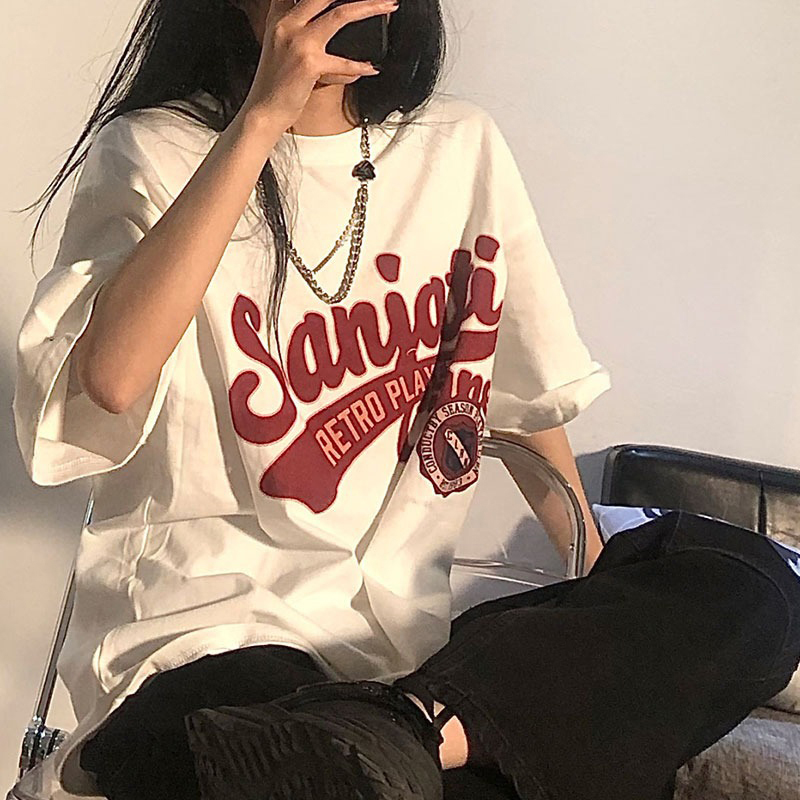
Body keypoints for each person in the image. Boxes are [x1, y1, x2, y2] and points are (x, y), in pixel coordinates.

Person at [13, 1, 799, 799]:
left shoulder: (459, 147)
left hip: (406, 659)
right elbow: (111, 380)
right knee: (273, 732)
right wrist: (259, 122)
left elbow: (523, 396)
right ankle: (296, 743)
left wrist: (597, 589)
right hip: (211, 633)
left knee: (752, 582)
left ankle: (396, 730)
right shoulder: (153, 148)